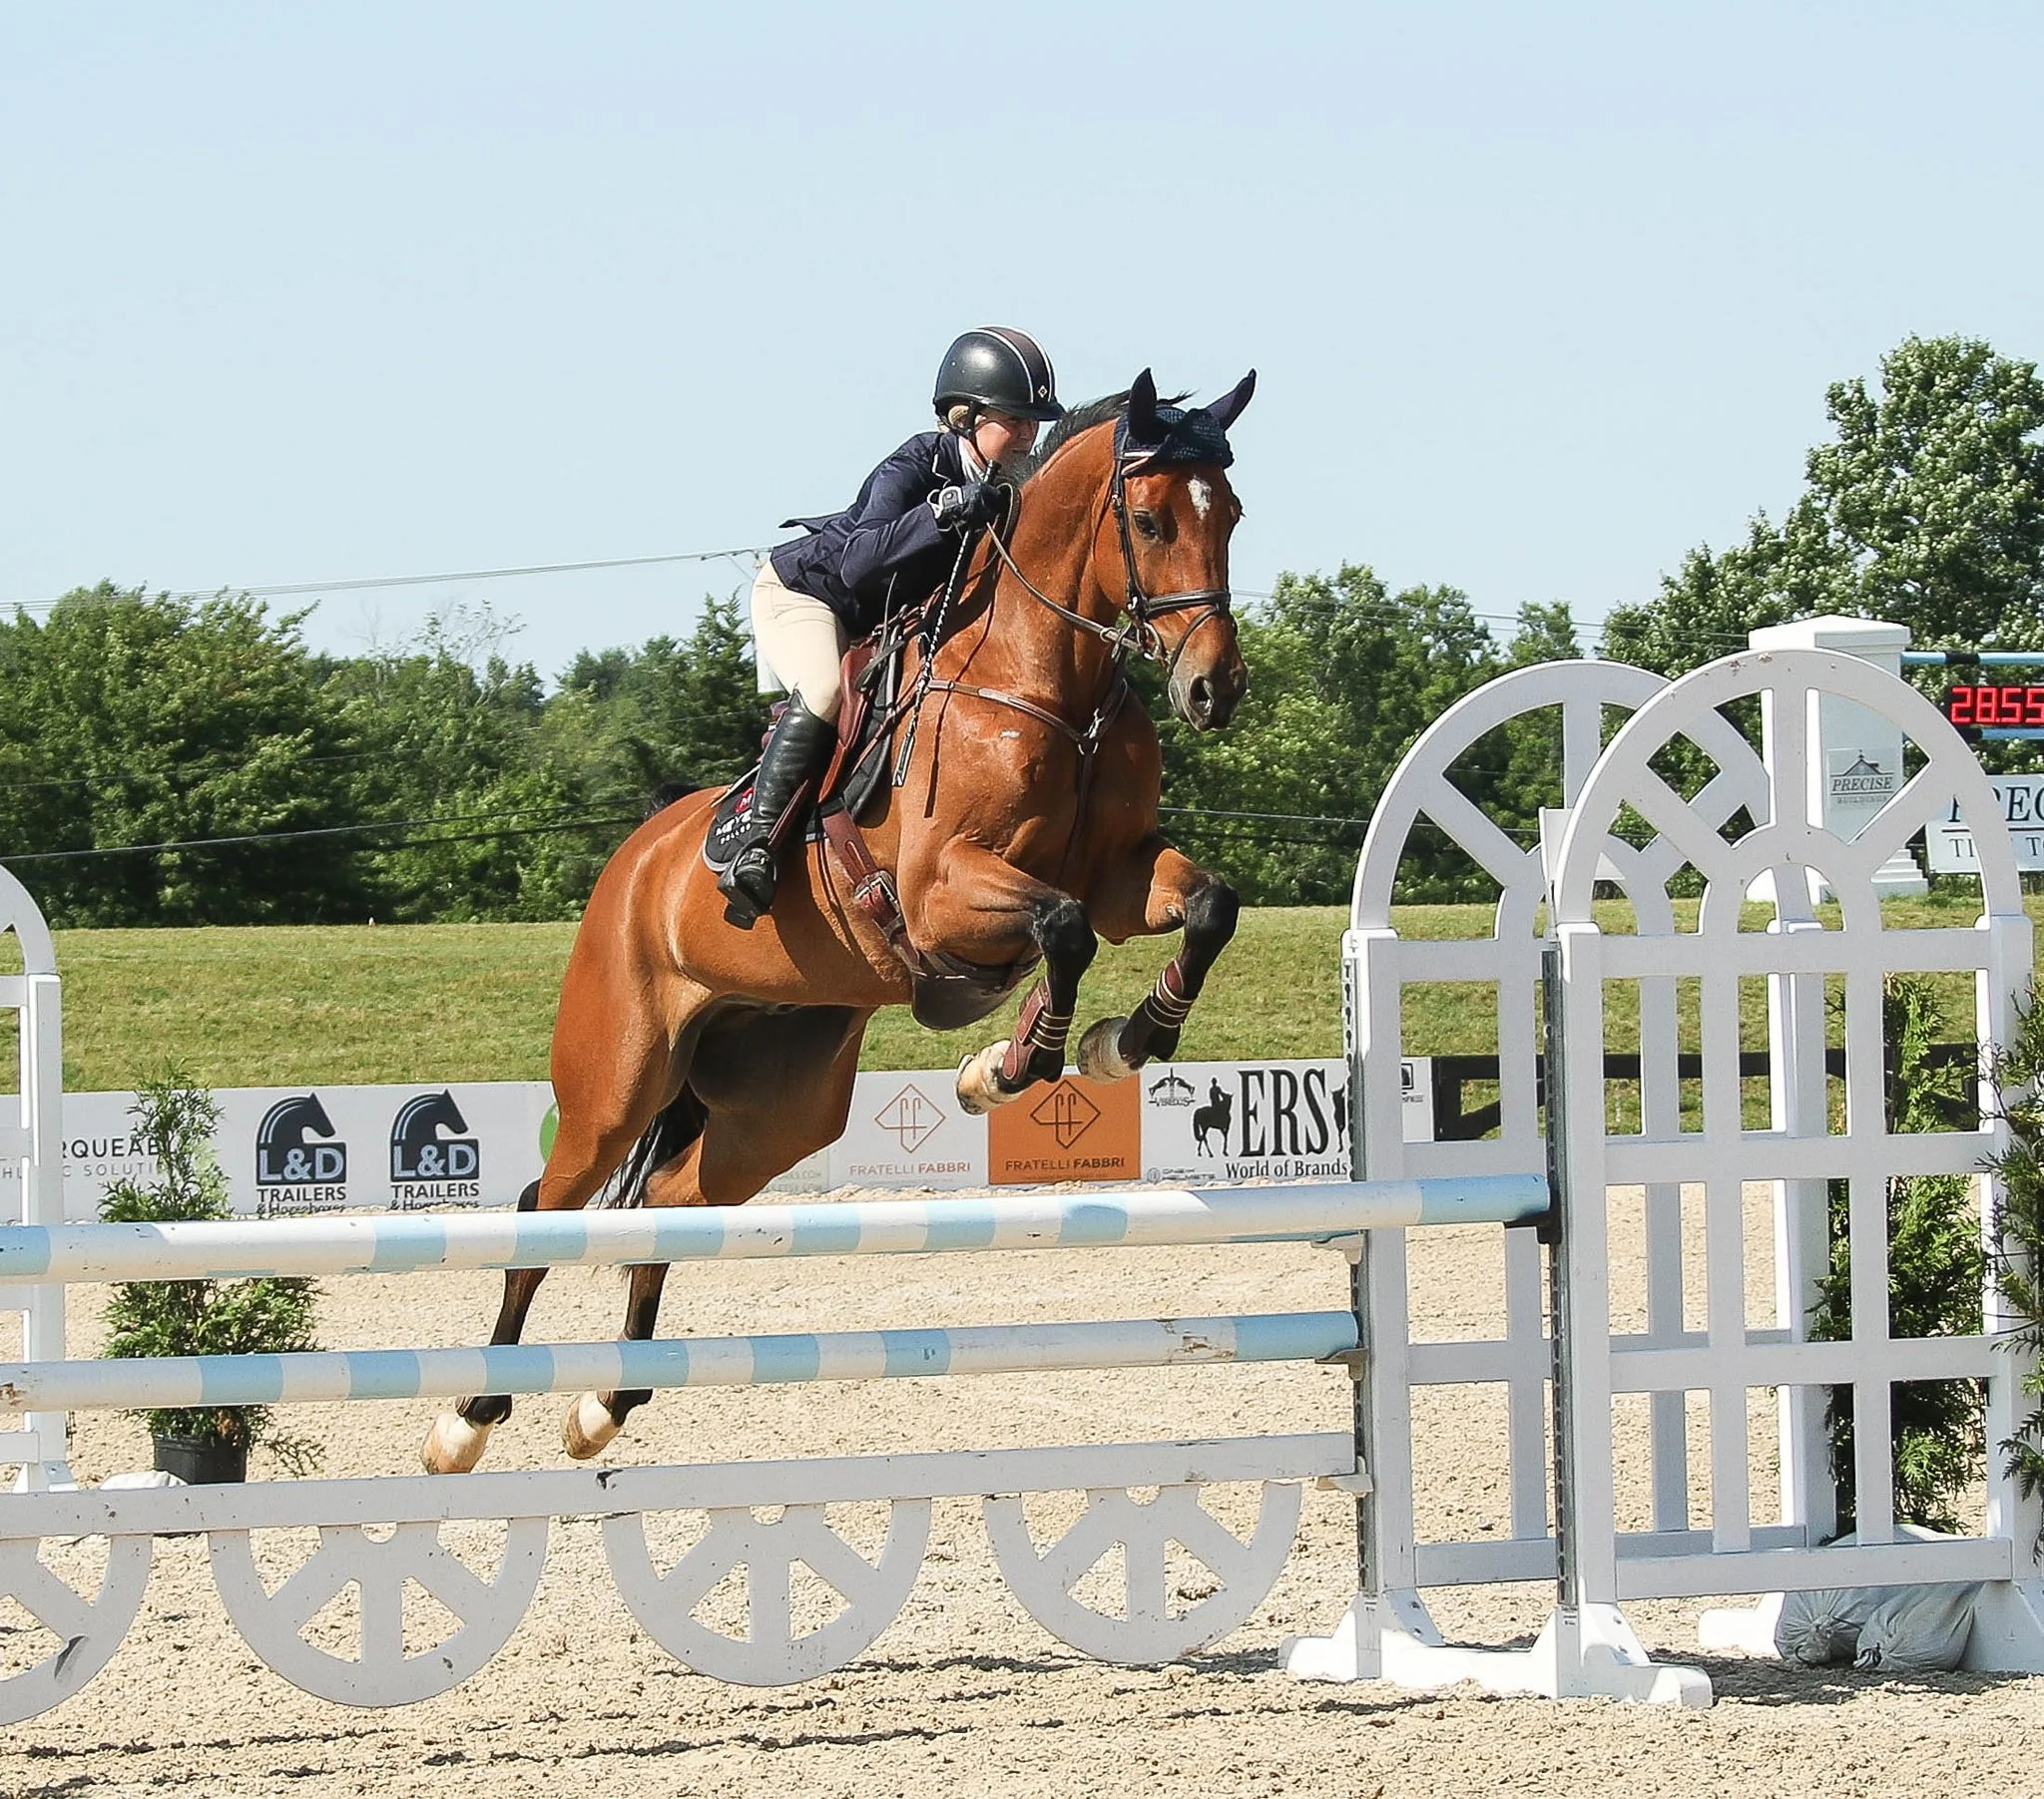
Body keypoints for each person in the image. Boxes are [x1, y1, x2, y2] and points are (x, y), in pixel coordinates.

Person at [718, 326, 1065, 927]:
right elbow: (857, 565)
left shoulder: (1009, 486)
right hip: (807, 595)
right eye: (1016, 419)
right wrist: (943, 512)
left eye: (1035, 422)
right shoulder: (916, 464)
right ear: (964, 417)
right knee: (826, 691)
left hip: (886, 621)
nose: (1028, 435)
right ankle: (755, 847)